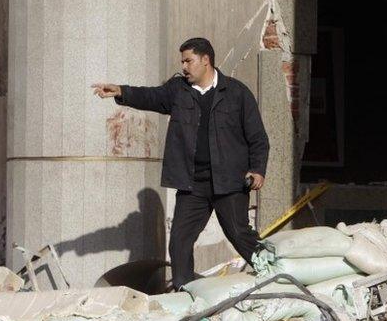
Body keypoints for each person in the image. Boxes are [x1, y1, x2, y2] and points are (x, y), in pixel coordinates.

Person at [92, 37, 270, 289]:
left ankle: (276, 271)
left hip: (229, 182)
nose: (184, 66)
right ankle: (185, 292)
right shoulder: (178, 91)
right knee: (178, 242)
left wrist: (257, 168)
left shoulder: (236, 93)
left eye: (189, 60)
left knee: (239, 234)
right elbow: (151, 96)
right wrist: (121, 91)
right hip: (192, 185)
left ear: (205, 60)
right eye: (182, 61)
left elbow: (258, 137)